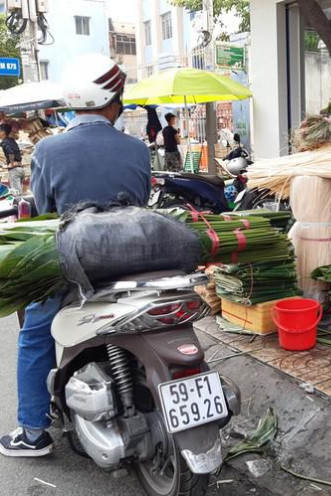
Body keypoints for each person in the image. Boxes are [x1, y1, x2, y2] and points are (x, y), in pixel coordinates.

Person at [0, 53, 151, 458]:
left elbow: (48, 211)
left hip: (71, 268)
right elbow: (141, 202)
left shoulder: (48, 150)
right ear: (113, 101)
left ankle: (32, 433)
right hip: (133, 264)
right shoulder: (137, 150)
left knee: (33, 336)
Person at [0, 123, 24, 195]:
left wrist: (12, 163)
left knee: (16, 194)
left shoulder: (5, 142)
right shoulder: (12, 140)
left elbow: (10, 152)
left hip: (14, 170)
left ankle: (20, 206)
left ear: (3, 132)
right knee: (19, 193)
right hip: (20, 169)